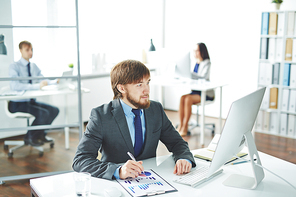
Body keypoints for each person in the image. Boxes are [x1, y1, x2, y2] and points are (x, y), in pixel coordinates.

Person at [72, 60, 196, 180]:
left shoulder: (155, 109)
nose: (147, 90)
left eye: (147, 82)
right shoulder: (101, 116)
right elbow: (81, 160)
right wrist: (118, 170)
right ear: (121, 88)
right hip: (116, 184)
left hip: (151, 180)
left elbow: (177, 142)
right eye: (139, 84)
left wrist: (184, 158)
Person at [8, 41, 59, 146]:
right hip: (17, 103)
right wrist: (37, 86)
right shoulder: (14, 66)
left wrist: (55, 81)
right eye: (27, 50)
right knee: (44, 113)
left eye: (32, 50)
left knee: (54, 110)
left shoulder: (33, 66)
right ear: (20, 50)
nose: (30, 52)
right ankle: (30, 138)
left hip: (30, 101)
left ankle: (40, 135)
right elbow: (15, 86)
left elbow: (42, 79)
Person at [177, 43, 214, 137]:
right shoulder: (195, 63)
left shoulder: (207, 63)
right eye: (194, 51)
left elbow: (203, 78)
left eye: (197, 51)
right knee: (182, 98)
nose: (195, 53)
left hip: (205, 93)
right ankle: (180, 126)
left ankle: (185, 127)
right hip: (196, 91)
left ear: (202, 51)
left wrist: (189, 75)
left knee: (188, 99)